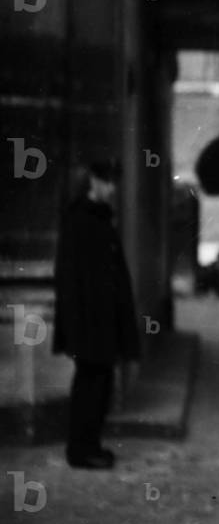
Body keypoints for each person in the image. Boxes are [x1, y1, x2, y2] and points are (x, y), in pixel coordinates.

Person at [53, 157, 140, 469]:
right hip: (89, 323)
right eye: (108, 182)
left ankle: (90, 446)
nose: (113, 189)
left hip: (101, 322)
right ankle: (81, 450)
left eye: (114, 182)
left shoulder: (98, 218)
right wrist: (77, 328)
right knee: (90, 387)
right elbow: (70, 278)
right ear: (94, 181)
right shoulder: (80, 220)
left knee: (99, 386)